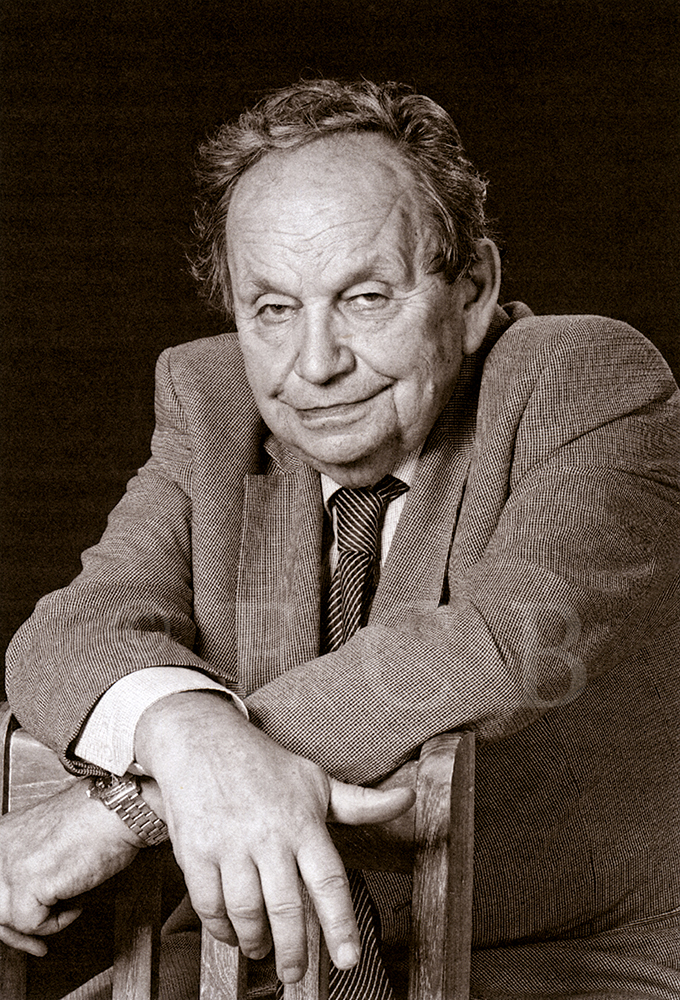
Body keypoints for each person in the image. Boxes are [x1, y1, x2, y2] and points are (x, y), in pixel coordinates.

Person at [4, 78, 680, 999]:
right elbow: (70, 635)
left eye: (364, 297)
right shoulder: (213, 402)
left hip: (562, 958)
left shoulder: (584, 377)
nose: (315, 365)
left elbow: (506, 640)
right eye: (273, 309)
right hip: (260, 960)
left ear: (473, 290)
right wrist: (184, 731)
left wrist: (138, 804)